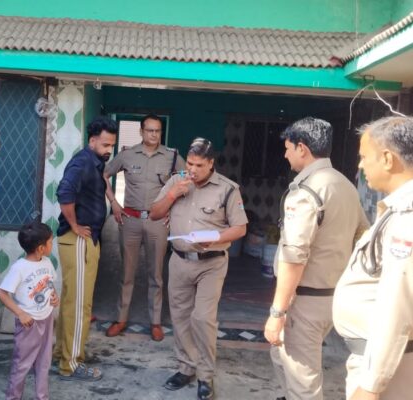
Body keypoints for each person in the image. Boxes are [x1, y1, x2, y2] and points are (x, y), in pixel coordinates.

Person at [264, 117, 369, 400]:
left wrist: (277, 313)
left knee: (303, 381)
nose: (285, 155)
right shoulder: (345, 185)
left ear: (302, 148)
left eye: (288, 148)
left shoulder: (306, 191)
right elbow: (363, 235)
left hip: (305, 302)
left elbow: (293, 257)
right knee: (281, 355)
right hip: (332, 297)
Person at [150, 137, 248, 400]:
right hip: (180, 260)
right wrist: (172, 194)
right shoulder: (176, 181)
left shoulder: (227, 189)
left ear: (211, 163)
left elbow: (240, 228)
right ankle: (186, 368)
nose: (192, 170)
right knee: (180, 317)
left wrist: (215, 237)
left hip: (211, 264)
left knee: (203, 319)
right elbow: (154, 213)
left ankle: (205, 375)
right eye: (190, 164)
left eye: (199, 165)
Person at [333, 116, 413, 400]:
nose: (359, 165)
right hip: (383, 359)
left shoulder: (406, 216)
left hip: (387, 366)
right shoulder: (395, 209)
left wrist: (371, 385)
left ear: (388, 159)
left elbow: (397, 306)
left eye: (364, 157)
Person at [104, 114, 185, 341]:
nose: (154, 134)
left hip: (157, 222)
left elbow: (187, 182)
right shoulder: (127, 155)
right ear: (141, 132)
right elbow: (103, 175)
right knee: (127, 273)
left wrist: (173, 211)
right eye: (149, 130)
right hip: (129, 220)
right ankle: (121, 319)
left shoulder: (172, 157)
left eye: (157, 130)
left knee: (156, 275)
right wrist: (113, 202)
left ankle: (155, 322)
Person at [53, 116, 117, 381]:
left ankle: (63, 352)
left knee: (73, 301)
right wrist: (75, 225)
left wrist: (114, 203)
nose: (109, 149)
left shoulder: (94, 162)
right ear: (92, 141)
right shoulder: (82, 162)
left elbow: (101, 183)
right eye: (105, 144)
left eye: (112, 145)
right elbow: (64, 192)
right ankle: (71, 364)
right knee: (80, 305)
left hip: (86, 240)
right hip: (79, 240)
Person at [0, 221, 59, 400]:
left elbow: (49, 283)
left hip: (47, 319)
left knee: (44, 362)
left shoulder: (47, 262)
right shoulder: (19, 268)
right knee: (22, 365)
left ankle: (42, 396)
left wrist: (54, 296)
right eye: (50, 242)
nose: (52, 244)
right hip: (29, 324)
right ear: (41, 248)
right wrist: (21, 313)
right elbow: (2, 293)